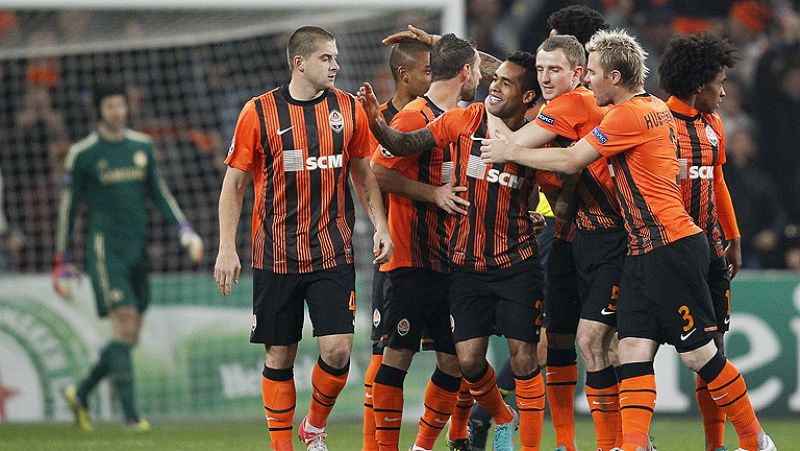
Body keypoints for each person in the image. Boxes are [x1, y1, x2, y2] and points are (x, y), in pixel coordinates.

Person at [479, 28, 775, 451]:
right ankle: (631, 445)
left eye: (593, 73)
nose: (588, 81)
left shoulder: (629, 115)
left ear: (614, 77)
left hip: (670, 245)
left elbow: (571, 159)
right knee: (632, 347)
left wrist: (510, 150)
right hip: (641, 249)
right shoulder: (651, 108)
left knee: (698, 354)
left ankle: (755, 440)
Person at [214, 26, 393, 451]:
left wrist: (381, 225)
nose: (336, 66)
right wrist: (226, 247)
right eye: (326, 58)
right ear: (300, 63)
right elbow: (234, 184)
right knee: (280, 355)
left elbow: (363, 170)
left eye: (336, 58)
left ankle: (314, 425)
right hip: (276, 254)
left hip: (333, 251)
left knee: (338, 351)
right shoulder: (258, 112)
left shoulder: (348, 108)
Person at [360, 51, 548, 451]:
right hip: (459, 265)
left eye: (505, 82)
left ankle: (511, 442)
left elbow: (547, 190)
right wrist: (376, 122)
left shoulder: (539, 135)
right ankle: (495, 417)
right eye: (492, 78)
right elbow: (398, 147)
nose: (493, 85)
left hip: (515, 262)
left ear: (528, 97)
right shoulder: (464, 119)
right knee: (464, 361)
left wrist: (533, 214)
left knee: (522, 359)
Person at [55, 83, 204, 432]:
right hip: (105, 250)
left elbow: (159, 193)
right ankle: (132, 417)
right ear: (99, 110)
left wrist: (185, 230)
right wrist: (61, 260)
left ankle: (80, 393)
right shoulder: (83, 153)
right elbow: (68, 208)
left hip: (139, 248)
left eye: (120, 105)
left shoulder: (142, 146)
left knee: (131, 335)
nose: (117, 112)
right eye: (110, 106)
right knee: (123, 324)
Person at [370, 34, 476, 451]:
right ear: (465, 72)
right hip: (413, 257)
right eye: (476, 70)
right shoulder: (415, 116)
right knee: (397, 355)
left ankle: (422, 447)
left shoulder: (462, 117)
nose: (481, 77)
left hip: (453, 259)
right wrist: (432, 194)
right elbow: (378, 172)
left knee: (456, 363)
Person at [659, 33, 742, 451]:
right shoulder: (658, 123)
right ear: (699, 84)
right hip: (664, 252)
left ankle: (715, 445)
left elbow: (718, 180)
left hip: (710, 252)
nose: (723, 92)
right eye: (719, 82)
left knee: (714, 350)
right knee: (636, 348)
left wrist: (734, 237)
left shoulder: (713, 125)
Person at [363, 39, 433, 451]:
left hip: (439, 251)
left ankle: (455, 436)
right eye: (427, 70)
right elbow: (366, 178)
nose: (433, 78)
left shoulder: (436, 117)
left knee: (459, 356)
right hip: (394, 251)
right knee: (384, 352)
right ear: (405, 75)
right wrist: (381, 228)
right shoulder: (381, 120)